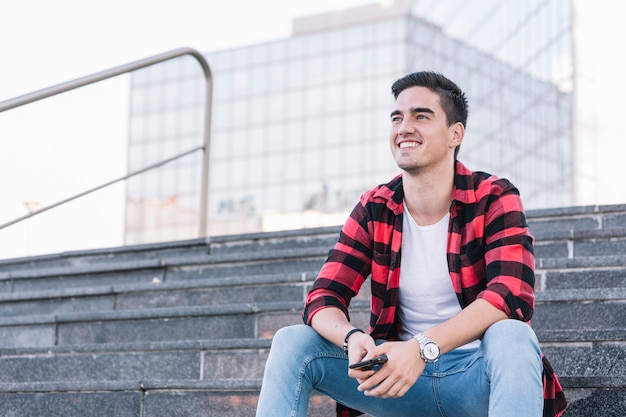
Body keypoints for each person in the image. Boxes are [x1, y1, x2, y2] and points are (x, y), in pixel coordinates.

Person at [255, 71, 567, 417]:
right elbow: (323, 297)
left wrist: (421, 348)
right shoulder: (375, 207)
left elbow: (510, 295)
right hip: (398, 381)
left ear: (455, 133)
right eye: (397, 118)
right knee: (291, 341)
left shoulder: (493, 197)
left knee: (512, 334)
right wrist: (351, 337)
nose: (404, 127)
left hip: (476, 379)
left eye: (421, 116)